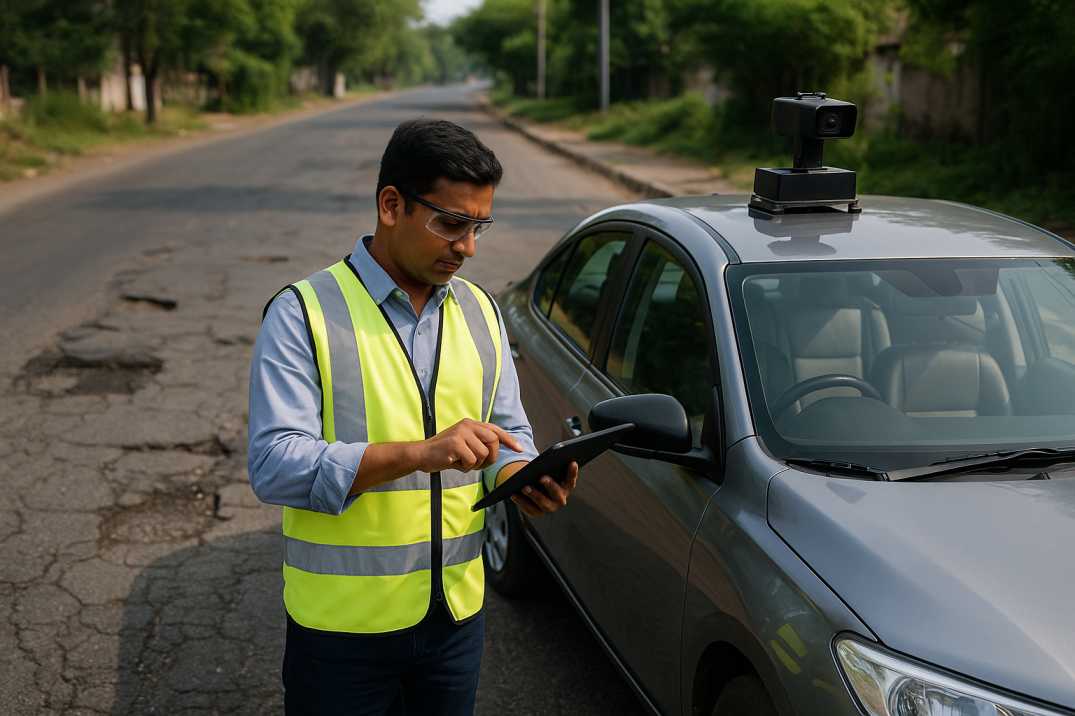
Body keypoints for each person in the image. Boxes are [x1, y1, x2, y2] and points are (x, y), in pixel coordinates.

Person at [247, 118, 578, 715]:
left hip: (454, 621)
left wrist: (520, 478)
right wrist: (422, 452)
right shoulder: (303, 313)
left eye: (479, 227)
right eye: (451, 223)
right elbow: (274, 466)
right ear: (391, 205)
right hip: (341, 632)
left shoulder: (481, 310)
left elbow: (509, 435)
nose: (468, 247)